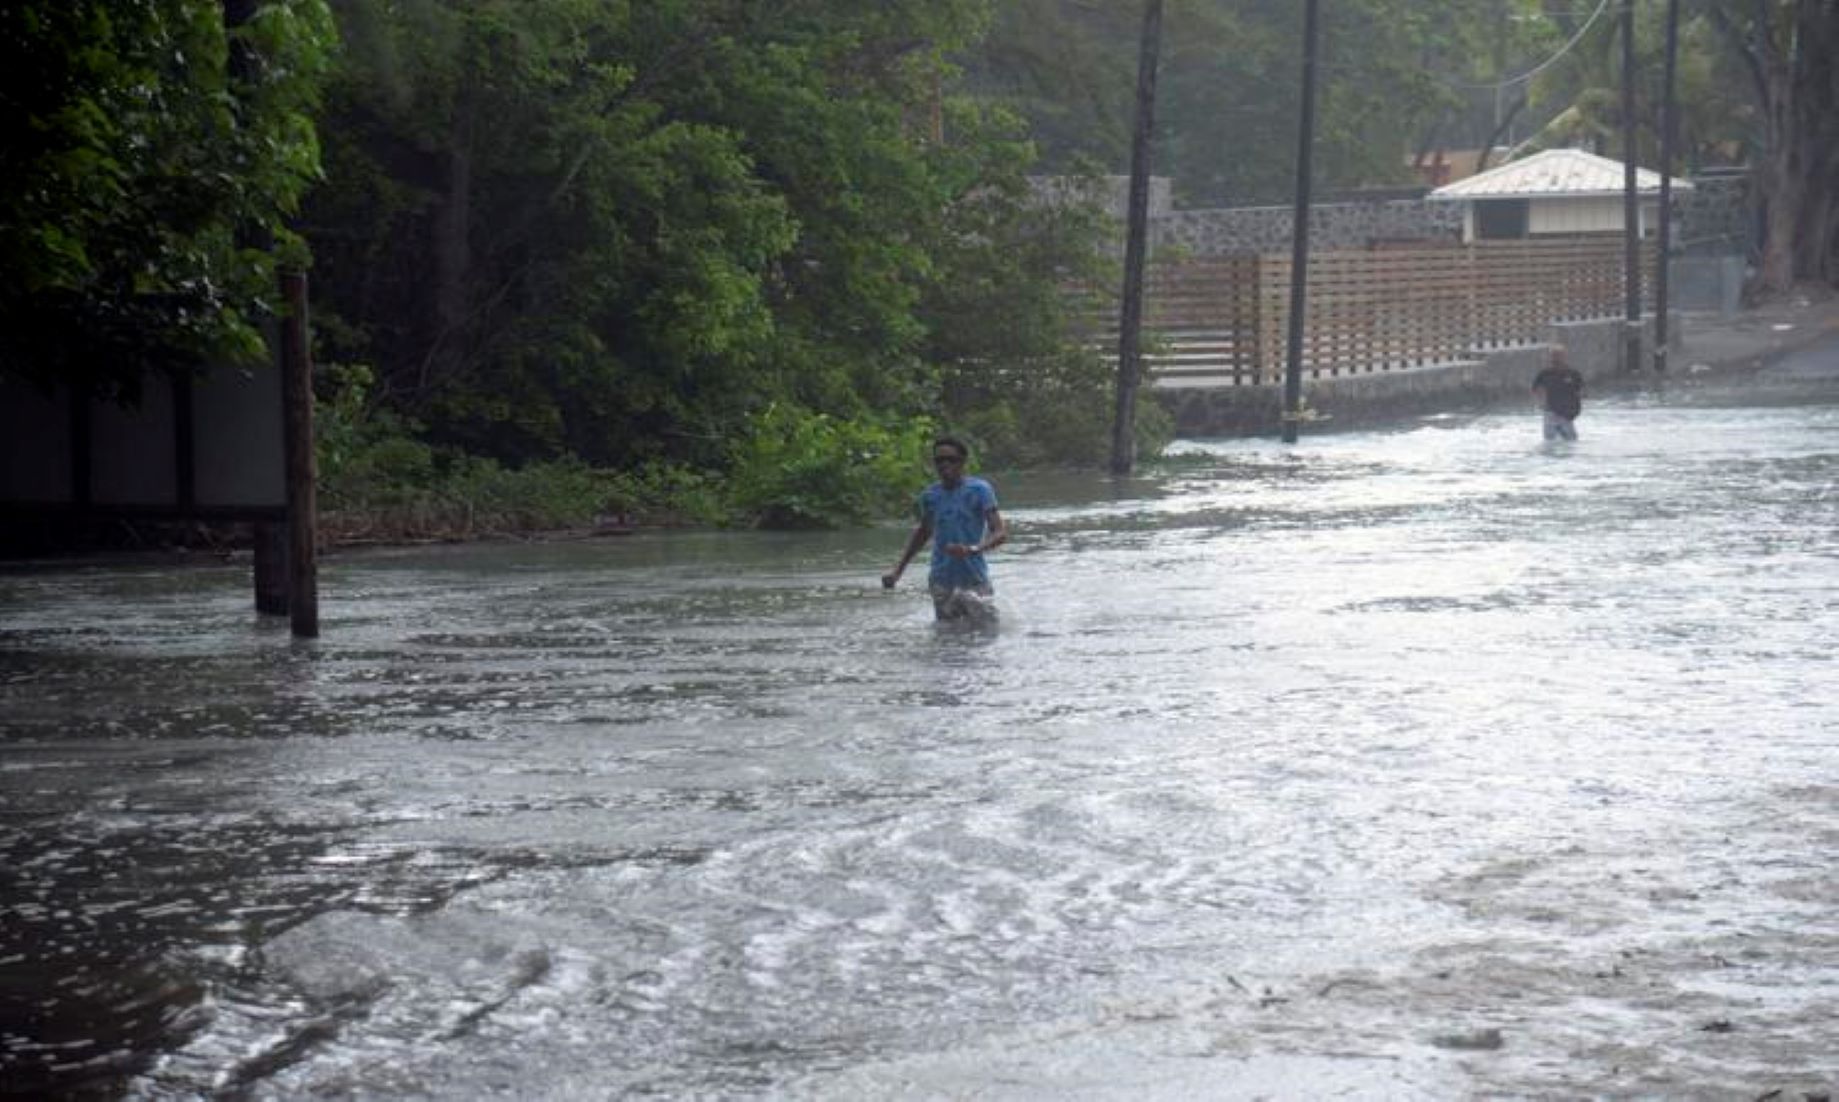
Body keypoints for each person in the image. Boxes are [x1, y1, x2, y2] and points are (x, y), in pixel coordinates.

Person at [882, 437, 1008, 620]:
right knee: (946, 637)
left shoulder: (980, 490)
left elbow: (1000, 531)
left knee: (985, 634)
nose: (944, 464)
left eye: (951, 459)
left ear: (963, 461)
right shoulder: (929, 496)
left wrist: (973, 549)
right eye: (939, 460)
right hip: (941, 579)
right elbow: (923, 532)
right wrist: (897, 571)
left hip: (974, 577)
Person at [1532, 347, 1584, 441]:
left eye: (1558, 356)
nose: (1555, 359)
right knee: (1550, 442)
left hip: (1566, 414)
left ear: (1565, 357)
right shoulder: (1545, 373)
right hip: (1550, 413)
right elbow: (1535, 389)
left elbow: (1581, 391)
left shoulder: (1573, 374)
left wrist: (1576, 408)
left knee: (1571, 441)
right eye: (1553, 356)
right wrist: (1540, 403)